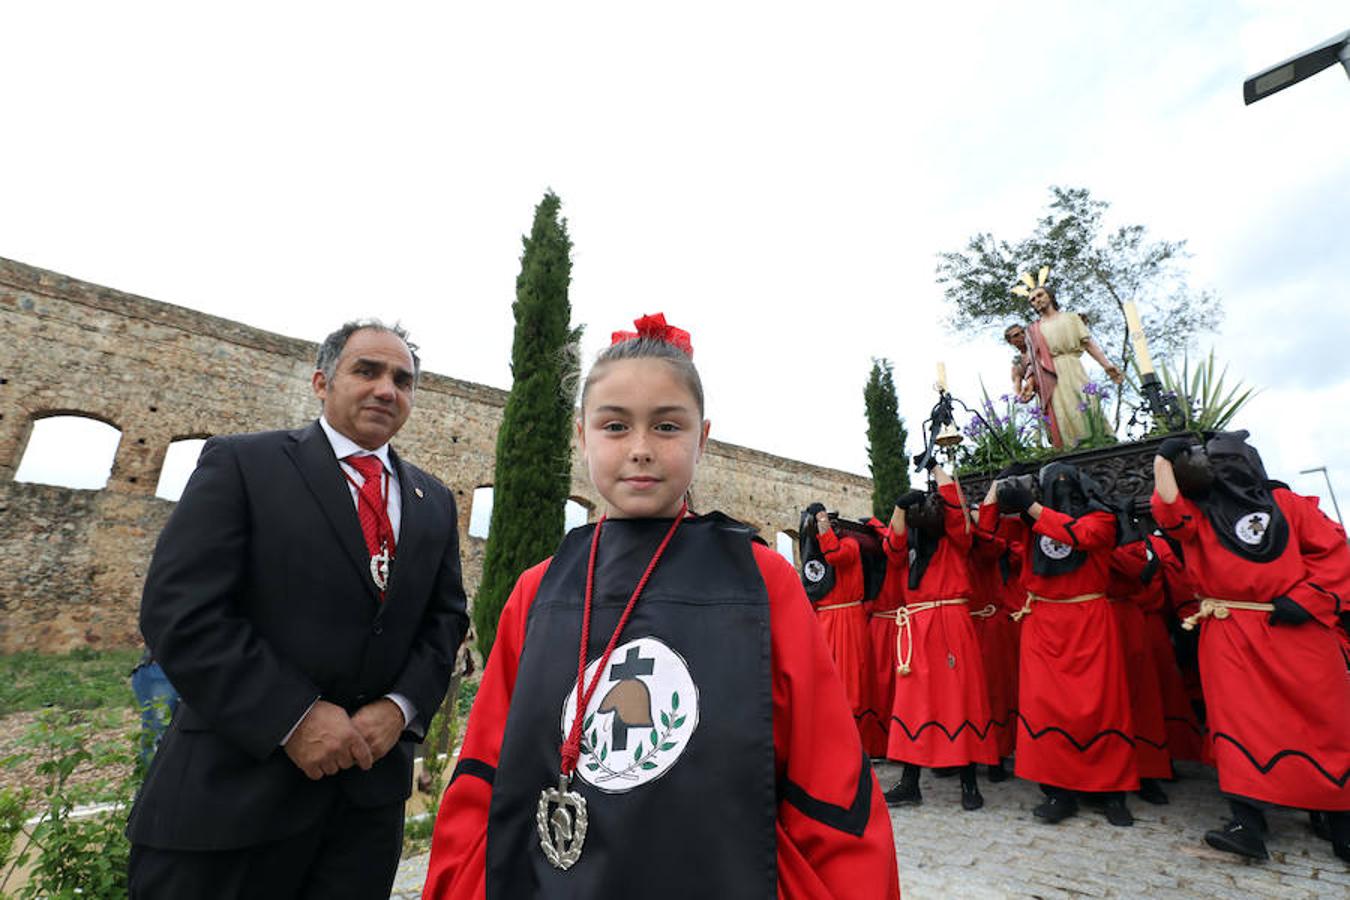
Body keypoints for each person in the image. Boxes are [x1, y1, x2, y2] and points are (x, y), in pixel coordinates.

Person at [422, 314, 900, 899]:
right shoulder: (539, 592)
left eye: (667, 427)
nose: (641, 449)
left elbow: (825, 770)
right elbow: (487, 770)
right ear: (581, 435)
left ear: (702, 439)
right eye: (616, 426)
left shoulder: (762, 581)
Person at [127, 320, 470, 899]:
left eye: (403, 380)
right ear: (321, 381)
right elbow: (180, 611)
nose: (387, 388)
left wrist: (400, 705)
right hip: (231, 802)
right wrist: (294, 716)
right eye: (367, 371)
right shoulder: (244, 465)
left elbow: (445, 619)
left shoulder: (432, 500)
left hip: (362, 815)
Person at [1152, 431, 1350, 862]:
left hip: (1297, 630)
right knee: (1239, 726)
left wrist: (1308, 599)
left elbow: (1336, 554)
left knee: (1322, 722)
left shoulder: (1290, 506)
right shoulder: (1198, 516)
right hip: (1230, 629)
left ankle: (1340, 821)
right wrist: (1163, 460)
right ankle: (1249, 823)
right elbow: (1168, 512)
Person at [980, 464, 1138, 827]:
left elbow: (1080, 536)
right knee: (1046, 707)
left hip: (1089, 621)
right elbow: (986, 531)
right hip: (1044, 622)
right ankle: (1057, 790)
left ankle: (1111, 791)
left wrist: (1032, 508)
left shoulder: (1101, 518)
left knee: (1103, 706)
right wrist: (999, 487)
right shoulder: (1026, 523)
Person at [883, 465, 998, 811]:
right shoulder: (911, 551)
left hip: (951, 621)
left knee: (958, 699)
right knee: (915, 703)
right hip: (918, 625)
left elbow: (956, 511)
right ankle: (909, 782)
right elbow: (892, 546)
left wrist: (936, 469)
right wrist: (900, 507)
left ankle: (969, 782)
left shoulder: (955, 540)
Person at [800, 504, 876, 743]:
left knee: (850, 679)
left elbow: (836, 555)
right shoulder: (816, 553)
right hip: (825, 620)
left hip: (847, 620)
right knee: (825, 678)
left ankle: (854, 738)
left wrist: (821, 519)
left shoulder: (849, 545)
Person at [1022, 285, 1123, 448]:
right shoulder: (1033, 330)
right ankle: (1071, 448)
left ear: (1050, 296)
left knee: (1085, 402)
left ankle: (1099, 442)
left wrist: (1106, 365)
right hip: (1050, 375)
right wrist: (1030, 383)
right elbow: (1033, 361)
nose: (1037, 300)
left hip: (1073, 367)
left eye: (1039, 295)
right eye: (1032, 300)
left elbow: (1089, 344)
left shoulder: (1071, 318)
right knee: (1062, 411)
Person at [1003, 323, 1036, 403]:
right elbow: (1017, 387)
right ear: (1010, 341)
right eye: (1016, 335)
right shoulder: (1018, 364)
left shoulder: (1040, 349)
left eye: (1023, 332)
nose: (1022, 336)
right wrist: (1022, 396)